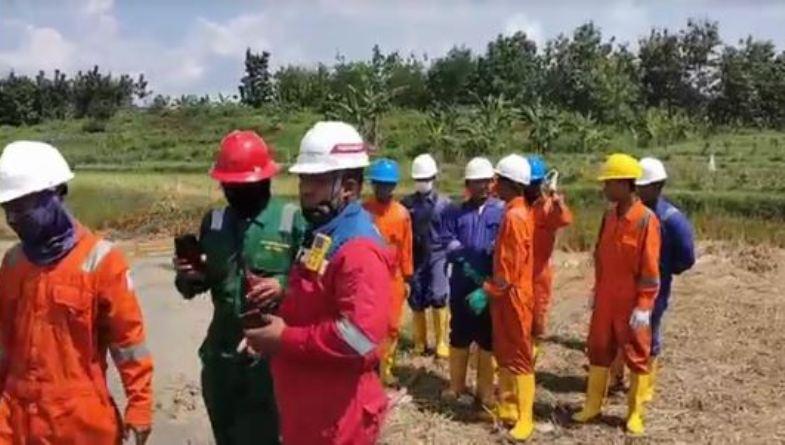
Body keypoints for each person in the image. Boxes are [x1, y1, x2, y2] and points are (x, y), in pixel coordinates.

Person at [243, 121, 393, 445]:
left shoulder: (359, 250)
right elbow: (313, 300)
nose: (306, 189)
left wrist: (284, 338)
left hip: (339, 416)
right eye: (304, 178)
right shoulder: (325, 231)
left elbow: (359, 337)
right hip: (310, 409)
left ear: (349, 187)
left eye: (318, 179)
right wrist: (271, 328)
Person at [0, 141, 153, 444]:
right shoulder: (13, 262)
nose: (14, 219)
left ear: (57, 194)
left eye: (23, 206)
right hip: (15, 418)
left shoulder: (102, 260)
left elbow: (129, 342)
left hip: (78, 421)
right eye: (8, 209)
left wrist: (140, 404)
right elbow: (3, 339)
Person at [173, 130, 305, 445]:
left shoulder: (291, 220)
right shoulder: (214, 222)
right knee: (227, 435)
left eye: (243, 186)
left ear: (265, 181)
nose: (235, 192)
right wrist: (190, 277)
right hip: (221, 356)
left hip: (270, 362)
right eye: (229, 185)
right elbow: (194, 286)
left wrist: (282, 286)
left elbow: (315, 284)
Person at [573, 153, 661, 436]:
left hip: (632, 301)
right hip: (607, 297)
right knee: (598, 349)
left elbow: (649, 267)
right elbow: (601, 257)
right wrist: (597, 291)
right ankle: (592, 405)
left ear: (625, 184)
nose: (605, 189)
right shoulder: (608, 217)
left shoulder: (646, 221)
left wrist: (644, 305)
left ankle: (635, 413)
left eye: (609, 183)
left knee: (636, 353)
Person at [470, 154, 536, 441]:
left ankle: (526, 418)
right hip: (509, 297)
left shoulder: (514, 216)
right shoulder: (517, 211)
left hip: (514, 298)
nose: (494, 184)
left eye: (498, 179)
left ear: (510, 183)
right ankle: (509, 408)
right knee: (507, 353)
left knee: (520, 357)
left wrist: (486, 291)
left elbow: (507, 271)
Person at [440, 157, 503, 411]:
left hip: (489, 286)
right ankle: (456, 386)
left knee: (488, 338)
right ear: (468, 184)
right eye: (477, 182)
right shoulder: (455, 212)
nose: (483, 187)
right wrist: (459, 254)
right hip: (461, 284)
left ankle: (485, 391)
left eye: (487, 182)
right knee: (460, 334)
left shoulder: (502, 212)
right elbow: (446, 238)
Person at [635, 157, 695, 401]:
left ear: (658, 186)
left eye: (643, 185)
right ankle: (623, 377)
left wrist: (666, 270)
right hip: (630, 283)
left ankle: (646, 384)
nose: (638, 189)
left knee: (650, 332)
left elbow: (686, 257)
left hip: (656, 286)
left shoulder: (672, 219)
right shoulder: (633, 212)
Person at [363, 158, 414, 386]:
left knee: (392, 325)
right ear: (373, 185)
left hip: (394, 277)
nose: (384, 189)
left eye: (388, 185)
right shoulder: (364, 211)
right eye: (379, 184)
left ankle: (387, 367)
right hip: (370, 276)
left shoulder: (402, 214)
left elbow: (407, 248)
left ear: (394, 186)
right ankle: (369, 368)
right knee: (369, 323)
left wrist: (407, 277)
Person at [401, 154, 451, 358]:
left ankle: (441, 342)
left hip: (438, 254)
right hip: (416, 254)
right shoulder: (406, 204)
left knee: (439, 295)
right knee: (417, 297)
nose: (423, 183)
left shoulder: (445, 204)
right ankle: (419, 342)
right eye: (419, 180)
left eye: (426, 179)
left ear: (433, 178)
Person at [524, 155, 573, 354]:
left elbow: (565, 219)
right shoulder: (513, 205)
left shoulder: (547, 207)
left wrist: (556, 201)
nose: (531, 187)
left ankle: (530, 357)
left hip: (538, 273)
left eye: (534, 182)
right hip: (516, 271)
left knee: (536, 319)